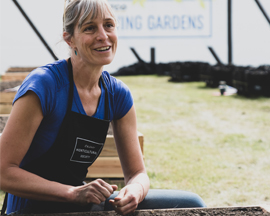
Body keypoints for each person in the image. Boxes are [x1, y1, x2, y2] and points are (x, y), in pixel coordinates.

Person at [0, 0, 206, 215]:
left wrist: (135, 191)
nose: (103, 35)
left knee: (192, 204)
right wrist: (72, 193)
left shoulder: (117, 94)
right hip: (30, 210)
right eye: (90, 28)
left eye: (108, 25)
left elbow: (138, 173)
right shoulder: (45, 85)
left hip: (79, 206)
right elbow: (3, 172)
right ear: (70, 39)